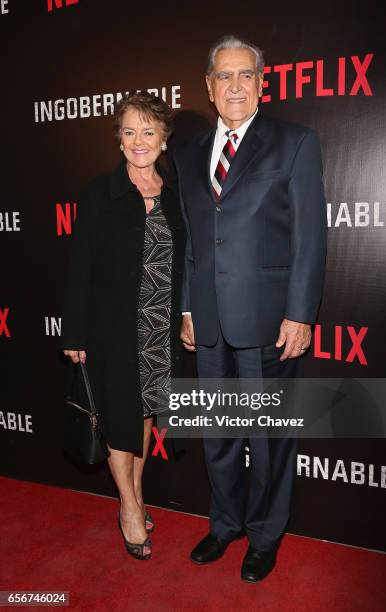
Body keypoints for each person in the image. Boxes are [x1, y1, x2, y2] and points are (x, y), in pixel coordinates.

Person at [174, 35, 327, 582]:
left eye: (246, 75)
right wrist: (188, 309)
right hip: (210, 322)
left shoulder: (295, 142)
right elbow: (193, 240)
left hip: (270, 322)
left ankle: (265, 535)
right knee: (218, 431)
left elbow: (310, 239)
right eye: (224, 76)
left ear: (262, 83)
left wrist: (300, 314)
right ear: (208, 86)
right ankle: (225, 524)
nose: (234, 85)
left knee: (267, 439)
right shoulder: (187, 154)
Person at [61, 91, 185, 560]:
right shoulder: (99, 192)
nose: (139, 141)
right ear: (118, 139)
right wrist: (74, 333)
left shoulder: (174, 195)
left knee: (144, 415)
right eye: (129, 131)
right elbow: (80, 266)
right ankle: (129, 508)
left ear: (164, 140)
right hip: (112, 329)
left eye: (148, 132)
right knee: (118, 420)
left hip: (159, 329)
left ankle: (136, 490)